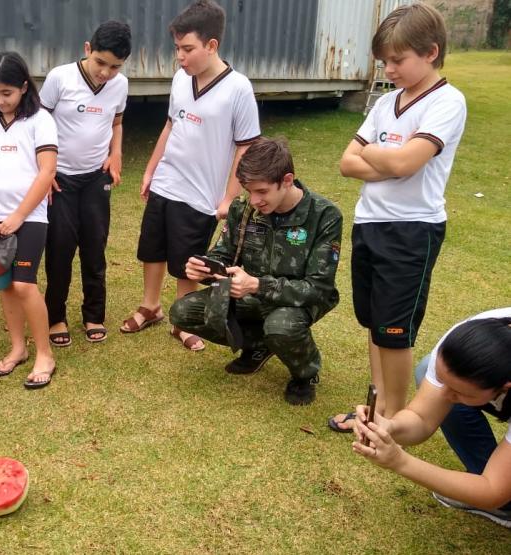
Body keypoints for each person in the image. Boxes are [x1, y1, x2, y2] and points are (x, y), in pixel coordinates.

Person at [331, 4, 467, 431]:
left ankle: (394, 417)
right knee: (373, 321)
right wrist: (389, 160)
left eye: (398, 59)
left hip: (413, 230)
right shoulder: (387, 102)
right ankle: (377, 406)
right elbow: (346, 163)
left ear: (431, 51)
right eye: (385, 60)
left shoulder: (448, 101)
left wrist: (384, 157)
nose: (389, 69)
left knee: (395, 329)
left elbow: (408, 162)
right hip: (369, 222)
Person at [120, 0, 260, 353]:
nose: (180, 57)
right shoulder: (181, 79)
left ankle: (181, 320)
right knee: (152, 248)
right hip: (168, 181)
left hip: (201, 194)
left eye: (187, 49)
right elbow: (171, 124)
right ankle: (150, 307)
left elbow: (246, 148)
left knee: (188, 260)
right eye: (177, 49)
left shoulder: (239, 88)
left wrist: (228, 198)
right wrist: (151, 170)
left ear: (211, 45)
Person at [170, 138, 341, 405]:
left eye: (262, 191)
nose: (255, 200)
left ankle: (304, 373)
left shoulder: (323, 215)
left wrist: (257, 286)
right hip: (251, 294)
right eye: (249, 191)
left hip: (299, 300)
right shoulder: (244, 209)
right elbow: (223, 255)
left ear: (287, 180)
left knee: (281, 326)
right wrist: (204, 269)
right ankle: (258, 347)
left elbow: (319, 289)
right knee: (182, 312)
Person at [353, 309, 511, 529]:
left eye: (458, 392)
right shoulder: (465, 337)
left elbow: (492, 490)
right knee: (426, 367)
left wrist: (400, 462)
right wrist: (391, 426)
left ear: (504, 388)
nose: (445, 396)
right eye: (442, 381)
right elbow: (421, 418)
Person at [0, 52, 58, 389]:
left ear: (24, 87)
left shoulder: (41, 120)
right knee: (5, 285)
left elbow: (47, 171)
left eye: (7, 93)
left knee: (24, 283)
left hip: (31, 217)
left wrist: (20, 215)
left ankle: (44, 354)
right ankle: (18, 348)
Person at [41, 20, 130, 346]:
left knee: (95, 248)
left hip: (96, 178)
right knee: (60, 250)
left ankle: (94, 314)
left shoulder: (120, 85)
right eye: (101, 63)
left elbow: (117, 122)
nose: (106, 73)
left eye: (115, 67)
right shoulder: (59, 78)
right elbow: (38, 125)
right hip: (60, 179)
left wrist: (116, 153)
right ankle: (56, 317)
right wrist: (45, 171)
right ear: (87, 49)